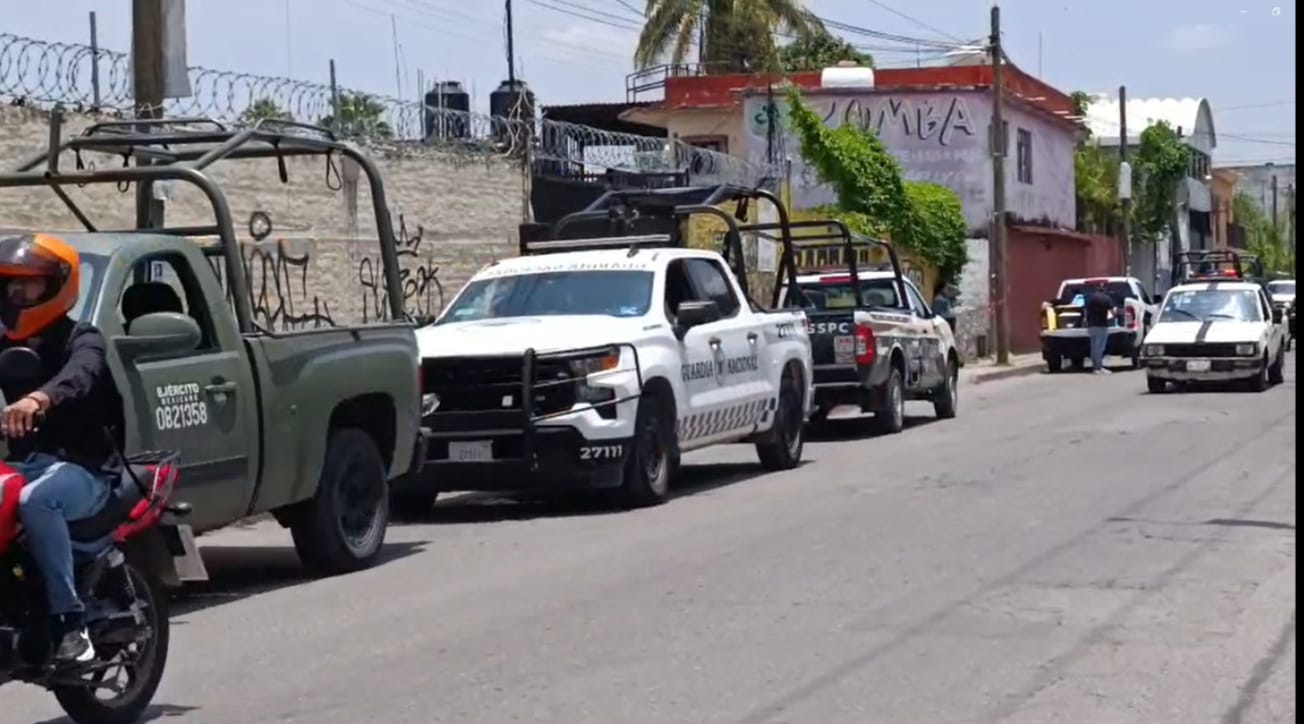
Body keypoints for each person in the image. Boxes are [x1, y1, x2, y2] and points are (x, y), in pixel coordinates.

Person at [0, 233, 121, 664]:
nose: (17, 292)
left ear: (54, 286)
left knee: (37, 501)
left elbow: (81, 375)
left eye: (28, 283)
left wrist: (38, 399)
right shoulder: (6, 342)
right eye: (11, 283)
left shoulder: (82, 339)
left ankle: (71, 623)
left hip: (86, 468)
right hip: (26, 462)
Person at [1083, 280, 1115, 374]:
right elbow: (1112, 312)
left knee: (1093, 347)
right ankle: (1098, 367)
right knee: (1099, 348)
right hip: (1102, 325)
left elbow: (1085, 310)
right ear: (1104, 289)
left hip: (1091, 325)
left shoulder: (1090, 298)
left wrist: (1086, 320)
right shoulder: (1106, 298)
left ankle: (1095, 366)